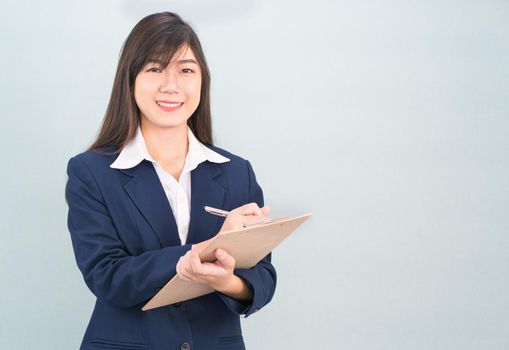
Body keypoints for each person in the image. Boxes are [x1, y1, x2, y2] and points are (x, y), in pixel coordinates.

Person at [65, 12, 276, 350]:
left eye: (186, 70)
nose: (171, 85)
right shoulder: (91, 172)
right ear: (130, 79)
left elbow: (262, 278)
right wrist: (199, 254)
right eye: (155, 68)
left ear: (202, 80)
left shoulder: (236, 171)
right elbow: (107, 276)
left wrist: (229, 282)